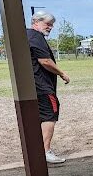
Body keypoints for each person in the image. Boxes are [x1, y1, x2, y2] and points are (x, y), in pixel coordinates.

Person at [27, 11, 70, 164]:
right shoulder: (36, 37)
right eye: (47, 24)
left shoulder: (28, 36)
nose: (50, 27)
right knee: (49, 115)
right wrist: (62, 73)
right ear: (36, 22)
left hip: (33, 86)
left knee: (39, 117)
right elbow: (44, 61)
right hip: (43, 86)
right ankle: (45, 151)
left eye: (52, 24)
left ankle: (38, 151)